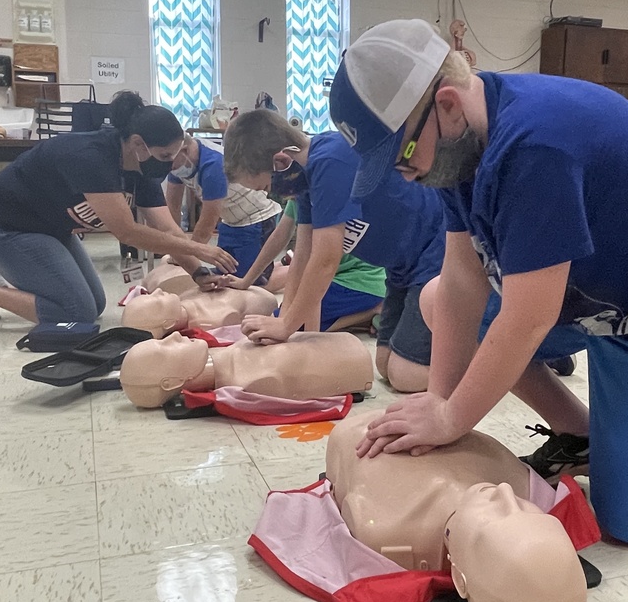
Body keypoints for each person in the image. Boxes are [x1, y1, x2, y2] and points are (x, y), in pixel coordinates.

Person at [329, 18, 628, 547]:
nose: (404, 173)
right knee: (437, 296)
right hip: (598, 298)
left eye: (400, 155)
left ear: (446, 104)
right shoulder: (457, 147)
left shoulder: (536, 146)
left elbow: (529, 318)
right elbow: (464, 282)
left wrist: (451, 417)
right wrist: (439, 401)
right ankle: (581, 434)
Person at [253, 412, 590, 602]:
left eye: (497, 518)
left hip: (359, 433)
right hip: (423, 416)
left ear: (459, 578)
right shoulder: (520, 481)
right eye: (527, 510)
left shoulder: (382, 524)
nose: (504, 494)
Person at [0, 91, 236, 333]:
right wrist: (200, 248)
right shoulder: (91, 157)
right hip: (6, 228)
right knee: (75, 312)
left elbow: (167, 230)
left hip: (50, 229)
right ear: (138, 144)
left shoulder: (141, 167)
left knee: (94, 304)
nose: (171, 164)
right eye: (165, 156)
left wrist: (198, 271)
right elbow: (128, 232)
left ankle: (3, 284)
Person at [222, 109, 445, 393]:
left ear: (281, 162)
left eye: (265, 186)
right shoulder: (304, 181)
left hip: (434, 252)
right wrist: (292, 329)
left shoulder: (331, 161)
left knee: (406, 376)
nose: (269, 194)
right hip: (402, 267)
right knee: (385, 364)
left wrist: (287, 325)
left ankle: (481, 356)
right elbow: (302, 258)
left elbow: (326, 260)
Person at [227, 200, 385, 333]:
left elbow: (315, 265)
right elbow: (280, 235)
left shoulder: (320, 194)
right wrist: (245, 281)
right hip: (336, 273)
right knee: (286, 316)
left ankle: (373, 309)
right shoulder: (299, 189)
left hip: (361, 280)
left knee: (294, 324)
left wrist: (290, 326)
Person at [119, 331, 374, 408]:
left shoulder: (230, 358)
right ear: (170, 382)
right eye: (164, 348)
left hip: (350, 347)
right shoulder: (248, 382)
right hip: (356, 360)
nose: (174, 335)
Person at [164, 135, 283, 289]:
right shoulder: (175, 162)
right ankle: (283, 262)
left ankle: (296, 270)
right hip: (230, 221)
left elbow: (207, 222)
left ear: (184, 150)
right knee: (227, 274)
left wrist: (186, 254)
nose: (169, 168)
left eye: (170, 162)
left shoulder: (213, 164)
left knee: (252, 283)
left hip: (256, 219)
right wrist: (177, 248)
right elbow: (172, 206)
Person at [121, 286, 278, 338]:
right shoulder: (213, 319)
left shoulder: (182, 299)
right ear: (168, 323)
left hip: (249, 286)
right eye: (158, 302)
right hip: (264, 298)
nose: (158, 291)